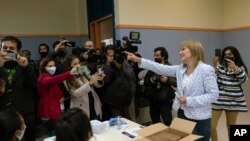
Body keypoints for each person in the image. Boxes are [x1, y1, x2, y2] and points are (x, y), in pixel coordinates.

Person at [125, 39, 219, 141]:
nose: (180, 52)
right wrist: (138, 60)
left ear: (193, 50)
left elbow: (213, 95)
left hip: (200, 118)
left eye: (183, 49)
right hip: (182, 113)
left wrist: (189, 100)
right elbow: (159, 67)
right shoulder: (180, 69)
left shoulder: (206, 69)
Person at [0, 36, 37, 141]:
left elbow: (34, 85)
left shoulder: (25, 65)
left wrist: (26, 67)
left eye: (11, 49)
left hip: (25, 116)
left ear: (17, 51)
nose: (7, 51)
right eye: (5, 48)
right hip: (3, 117)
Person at [211, 46, 248, 141]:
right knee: (211, 126)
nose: (227, 56)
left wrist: (235, 68)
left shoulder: (240, 67)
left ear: (235, 56)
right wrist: (215, 66)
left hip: (234, 102)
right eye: (225, 55)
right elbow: (213, 80)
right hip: (219, 101)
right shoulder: (220, 67)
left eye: (230, 54)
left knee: (231, 126)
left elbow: (244, 80)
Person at [37, 57, 78, 136]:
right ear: (43, 67)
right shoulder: (43, 77)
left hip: (55, 110)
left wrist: (61, 97)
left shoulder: (50, 77)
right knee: (54, 135)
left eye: (54, 65)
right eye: (50, 66)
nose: (53, 68)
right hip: (49, 112)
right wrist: (69, 73)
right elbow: (51, 81)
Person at [63, 55, 104, 120]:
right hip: (81, 106)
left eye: (79, 63)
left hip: (93, 102)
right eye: (75, 64)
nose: (78, 65)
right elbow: (75, 93)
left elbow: (95, 84)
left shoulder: (82, 69)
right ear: (69, 66)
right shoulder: (66, 77)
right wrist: (90, 83)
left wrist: (99, 79)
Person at [143, 47, 176, 126]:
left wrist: (167, 80)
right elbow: (146, 81)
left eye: (157, 55)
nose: (155, 57)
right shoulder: (152, 67)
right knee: (155, 121)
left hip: (165, 100)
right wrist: (151, 80)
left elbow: (176, 82)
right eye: (154, 55)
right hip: (153, 99)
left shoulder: (170, 67)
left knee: (167, 121)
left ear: (163, 56)